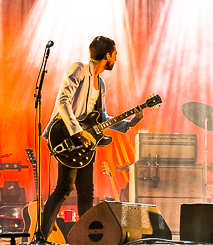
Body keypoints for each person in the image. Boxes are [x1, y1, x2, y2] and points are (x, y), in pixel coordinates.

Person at [39, 36, 143, 240]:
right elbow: (63, 101)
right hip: (67, 135)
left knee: (86, 191)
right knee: (64, 187)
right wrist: (78, 131)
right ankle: (41, 236)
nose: (116, 59)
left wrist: (130, 122)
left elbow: (101, 118)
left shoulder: (101, 84)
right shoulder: (78, 69)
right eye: (115, 54)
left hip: (86, 143)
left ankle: (84, 239)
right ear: (107, 55)